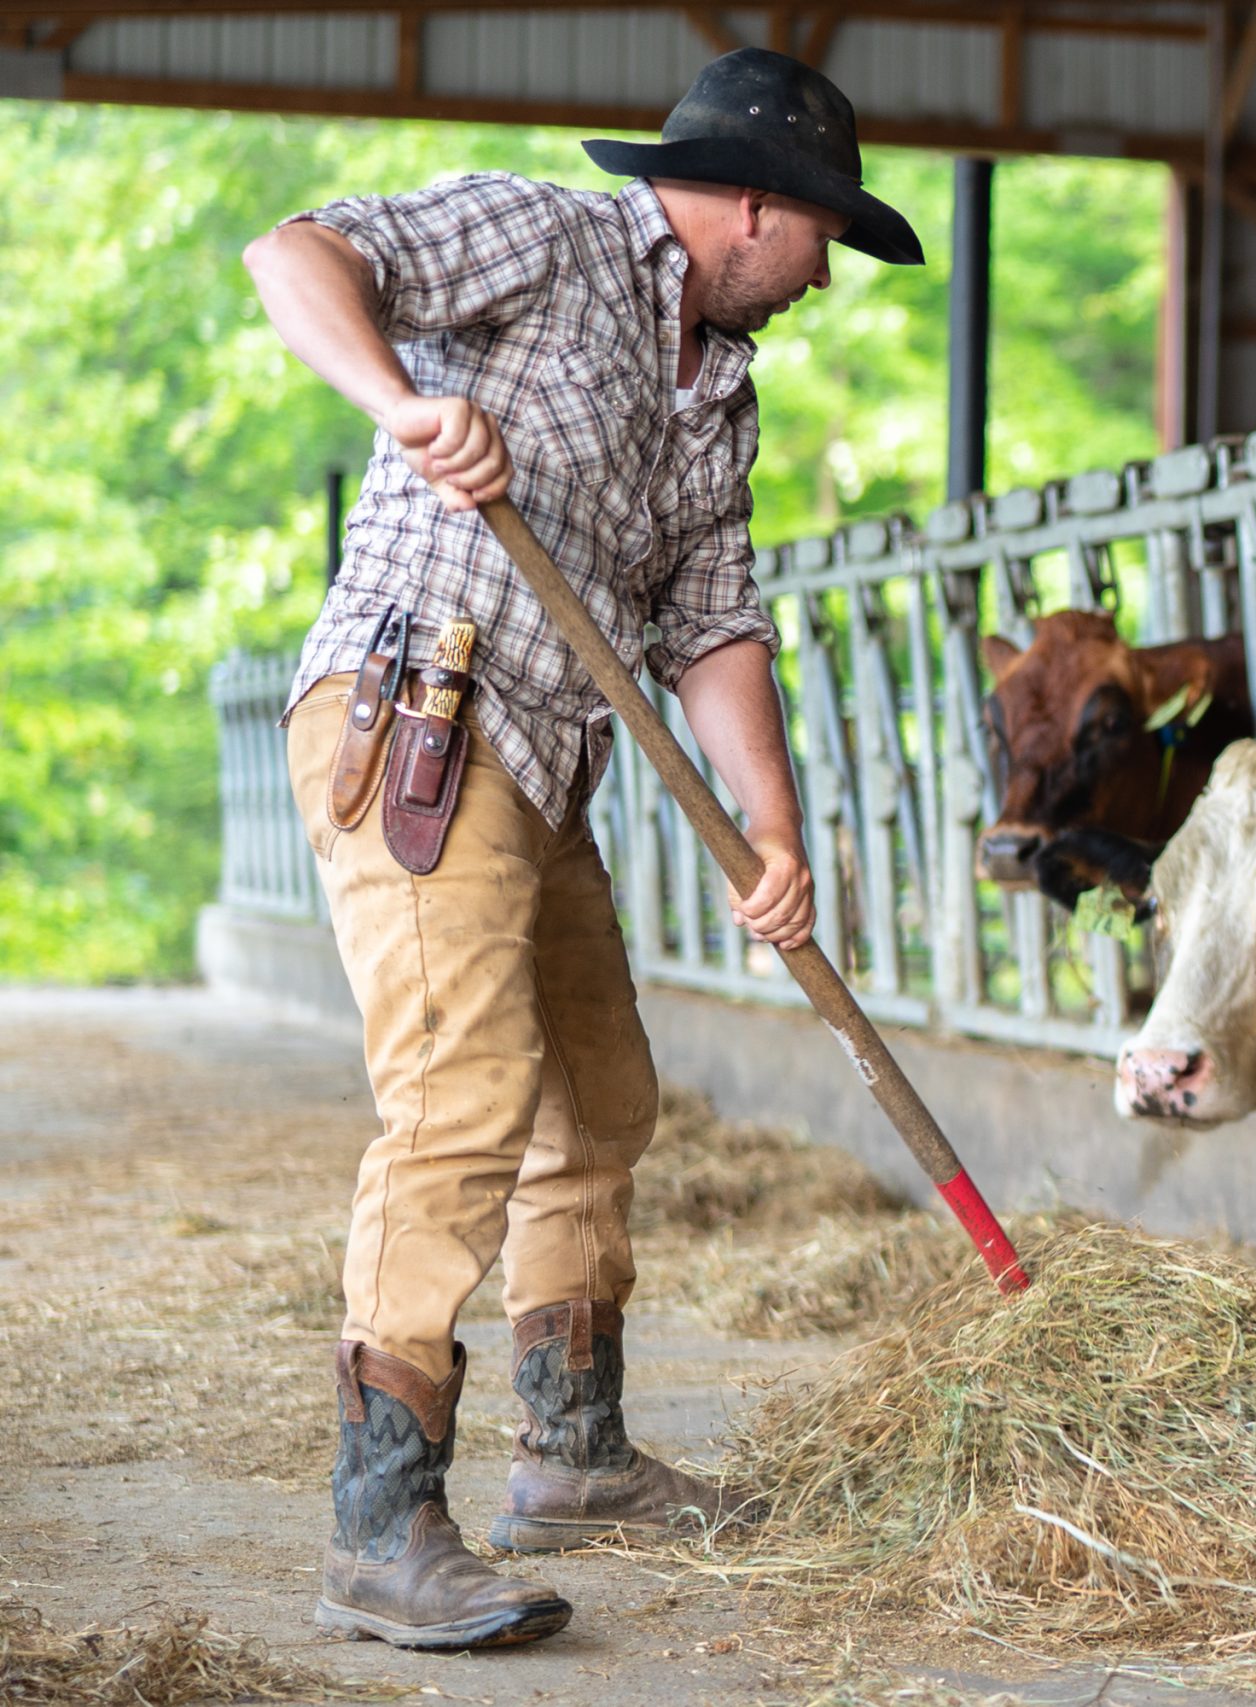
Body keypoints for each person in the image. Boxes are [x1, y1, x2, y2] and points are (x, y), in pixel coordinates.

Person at [242, 46, 923, 1653]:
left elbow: (714, 622)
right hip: (425, 715)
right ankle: (381, 1522)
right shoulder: (545, 238)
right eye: (826, 238)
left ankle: (573, 1452)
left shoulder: (722, 388)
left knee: (599, 1098)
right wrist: (402, 404)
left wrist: (771, 824)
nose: (825, 277)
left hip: (549, 765)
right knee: (459, 1099)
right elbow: (298, 254)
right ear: (757, 206)